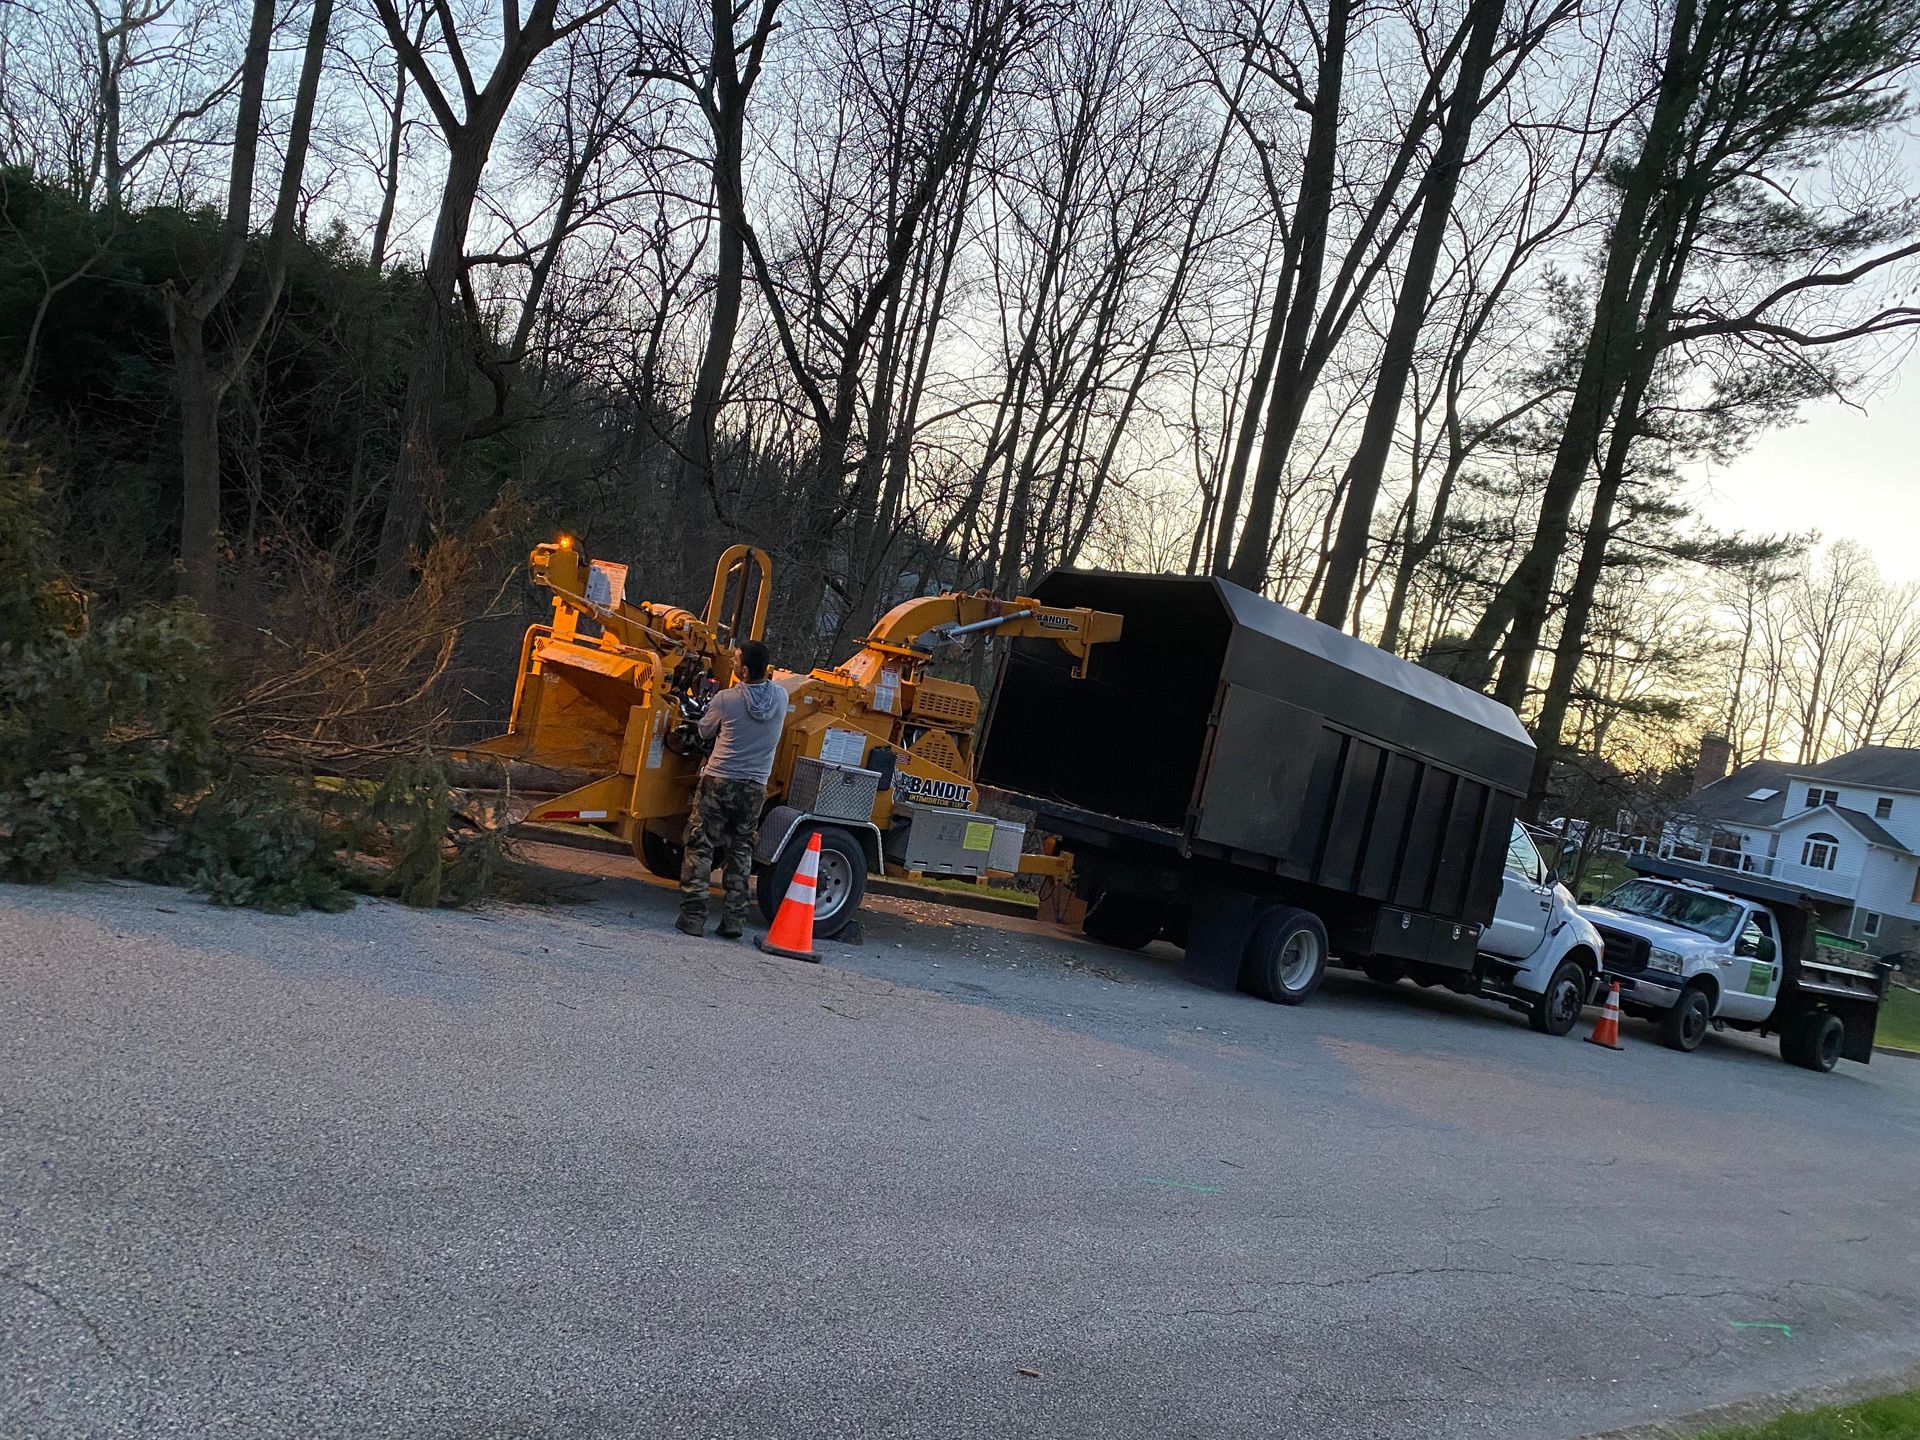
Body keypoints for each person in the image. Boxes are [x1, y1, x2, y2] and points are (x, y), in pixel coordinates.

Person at [677, 639, 788, 938]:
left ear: (745, 669)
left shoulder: (726, 699)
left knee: (701, 847)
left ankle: (693, 917)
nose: (734, 664)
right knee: (740, 851)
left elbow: (703, 730)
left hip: (720, 780)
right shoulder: (780, 697)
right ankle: (734, 921)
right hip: (754, 788)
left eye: (736, 660)